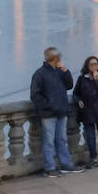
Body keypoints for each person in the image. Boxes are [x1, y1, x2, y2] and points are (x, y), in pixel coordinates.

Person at [30, 46, 84, 177]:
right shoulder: (40, 73)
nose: (61, 59)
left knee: (62, 140)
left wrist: (65, 71)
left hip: (61, 111)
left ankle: (65, 165)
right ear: (55, 58)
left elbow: (69, 85)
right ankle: (50, 168)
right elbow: (35, 95)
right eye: (59, 57)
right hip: (48, 114)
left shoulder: (60, 71)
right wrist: (48, 106)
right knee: (49, 141)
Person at [74, 55, 98, 167]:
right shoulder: (82, 78)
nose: (94, 66)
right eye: (91, 64)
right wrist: (79, 100)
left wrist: (97, 80)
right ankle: (93, 158)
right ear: (87, 66)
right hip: (88, 111)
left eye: (95, 64)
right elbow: (76, 93)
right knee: (90, 136)